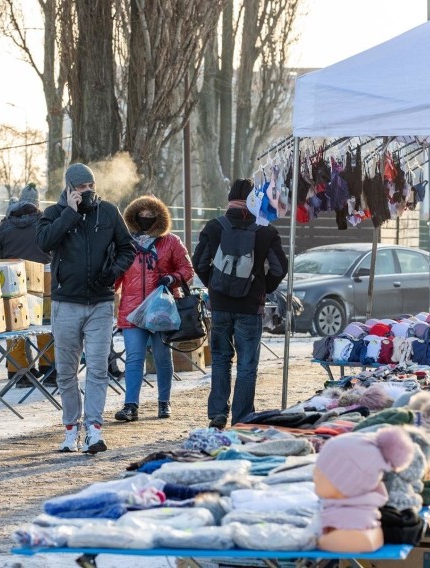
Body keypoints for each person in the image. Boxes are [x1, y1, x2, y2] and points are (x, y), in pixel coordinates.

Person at [37, 163, 135, 454]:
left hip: (100, 303)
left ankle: (94, 429)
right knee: (66, 372)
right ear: (69, 189)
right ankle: (70, 429)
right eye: (82, 188)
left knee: (97, 368)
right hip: (65, 302)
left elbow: (127, 247)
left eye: (91, 186)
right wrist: (71, 212)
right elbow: (44, 242)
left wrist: (113, 272)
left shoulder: (108, 212)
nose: (88, 191)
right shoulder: (54, 214)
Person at [192, 178, 288, 428]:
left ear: (229, 199)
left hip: (221, 307)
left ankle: (217, 414)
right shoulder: (265, 230)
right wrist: (263, 288)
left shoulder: (214, 227)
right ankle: (242, 418)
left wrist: (214, 286)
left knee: (221, 359)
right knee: (247, 365)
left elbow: (199, 263)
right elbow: (280, 267)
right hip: (250, 307)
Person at [113, 195, 194, 423]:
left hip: (162, 310)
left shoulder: (171, 242)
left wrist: (172, 278)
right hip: (132, 309)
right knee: (134, 358)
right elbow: (115, 273)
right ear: (133, 217)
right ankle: (130, 406)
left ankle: (164, 402)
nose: (146, 219)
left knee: (162, 357)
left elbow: (187, 269)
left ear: (159, 218)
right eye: (142, 215)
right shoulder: (125, 243)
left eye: (151, 215)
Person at [0, 183, 54, 389]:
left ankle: (18, 370)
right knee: (45, 323)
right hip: (43, 277)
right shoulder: (43, 221)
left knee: (15, 325)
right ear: (37, 203)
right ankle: (49, 368)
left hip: (12, 280)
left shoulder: (6, 224)